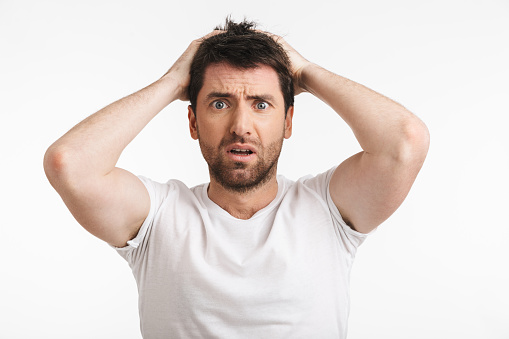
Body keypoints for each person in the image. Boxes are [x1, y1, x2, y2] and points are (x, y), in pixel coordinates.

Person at [44, 18, 429, 338]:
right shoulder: (157, 217)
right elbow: (69, 164)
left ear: (288, 121)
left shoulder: (329, 210)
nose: (241, 126)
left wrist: (306, 72)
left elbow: (405, 142)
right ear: (193, 121)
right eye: (219, 103)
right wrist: (174, 81)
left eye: (261, 104)